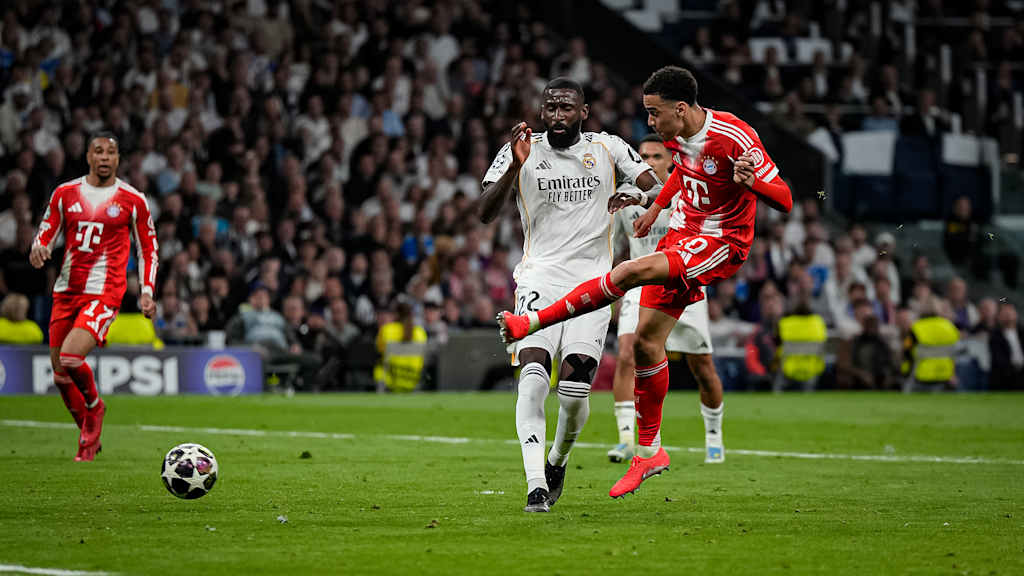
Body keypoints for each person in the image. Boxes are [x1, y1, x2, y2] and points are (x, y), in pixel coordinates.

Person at [497, 66, 792, 498]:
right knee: (646, 346)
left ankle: (532, 323)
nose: (650, 124)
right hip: (683, 234)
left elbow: (783, 196)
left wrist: (754, 185)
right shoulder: (677, 137)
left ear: (680, 108)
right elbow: (681, 174)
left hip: (720, 241)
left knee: (629, 272)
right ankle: (649, 452)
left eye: (654, 114)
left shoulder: (735, 137)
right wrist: (652, 209)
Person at [478, 77, 663, 512]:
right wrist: (515, 167)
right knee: (534, 378)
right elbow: (485, 212)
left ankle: (558, 460)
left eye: (566, 108)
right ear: (542, 112)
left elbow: (657, 183)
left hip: (593, 286)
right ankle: (535, 484)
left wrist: (635, 192)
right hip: (539, 278)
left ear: (584, 112)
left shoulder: (608, 147)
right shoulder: (521, 147)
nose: (557, 116)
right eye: (550, 109)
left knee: (575, 391)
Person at [29, 131, 158, 461]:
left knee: (72, 358)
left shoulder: (133, 199)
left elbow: (148, 249)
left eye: (110, 153)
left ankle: (94, 408)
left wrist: (146, 291)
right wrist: (39, 247)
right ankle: (89, 433)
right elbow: (47, 230)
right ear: (88, 156)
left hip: (104, 292)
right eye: (98, 151)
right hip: (66, 291)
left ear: (117, 159)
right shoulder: (65, 193)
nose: (104, 157)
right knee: (59, 375)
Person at [606, 134, 724, 465]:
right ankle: (627, 439)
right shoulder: (626, 202)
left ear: (671, 161)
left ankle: (714, 436)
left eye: (656, 156)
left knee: (701, 366)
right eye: (643, 156)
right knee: (627, 353)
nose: (648, 161)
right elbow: (612, 251)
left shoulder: (689, 196)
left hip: (684, 284)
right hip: (641, 286)